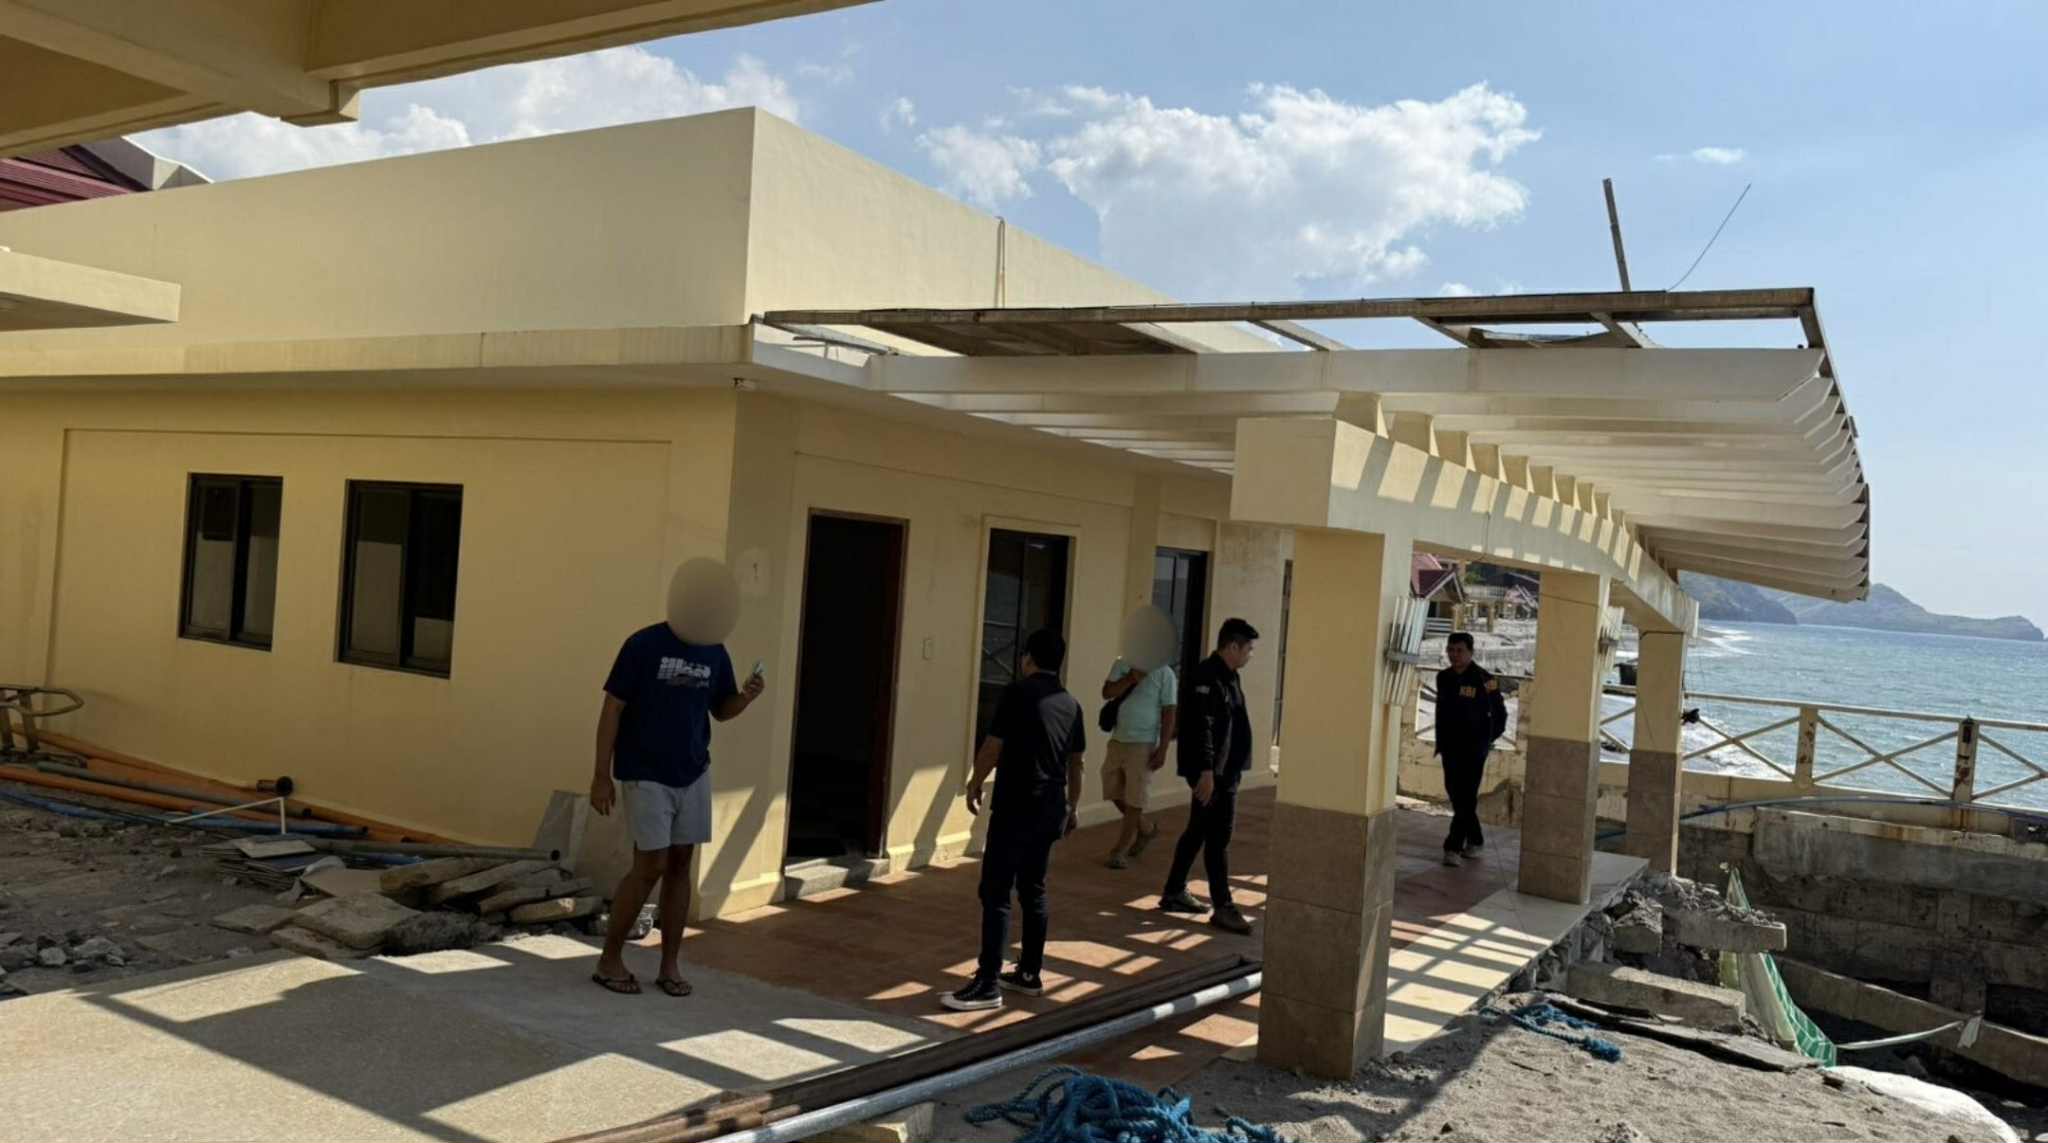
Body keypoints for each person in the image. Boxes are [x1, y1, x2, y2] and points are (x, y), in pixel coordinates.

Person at [588, 620, 763, 997]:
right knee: (650, 864)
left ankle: (669, 966)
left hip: (694, 771)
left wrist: (746, 697)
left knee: (681, 862)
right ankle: (609, 960)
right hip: (644, 771)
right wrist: (601, 775)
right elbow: (612, 707)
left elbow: (722, 709)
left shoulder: (714, 649)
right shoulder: (643, 643)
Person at [943, 627, 1087, 1012]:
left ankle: (988, 983)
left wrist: (975, 782)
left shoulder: (1016, 693)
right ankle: (1029, 973)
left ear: (1028, 658)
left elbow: (994, 745)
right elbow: (1076, 764)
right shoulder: (1071, 705)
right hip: (1051, 807)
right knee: (1033, 888)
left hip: (1016, 805)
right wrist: (1073, 806)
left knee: (996, 891)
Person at [1158, 618, 1258, 935]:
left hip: (1224, 772)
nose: (1250, 654)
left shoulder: (1229, 676)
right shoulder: (1207, 676)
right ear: (1233, 647)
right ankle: (1223, 906)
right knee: (1218, 838)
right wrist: (1206, 771)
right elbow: (1202, 726)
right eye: (1248, 649)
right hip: (1214, 774)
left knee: (1199, 830)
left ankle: (1174, 890)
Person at [1435, 632, 1507, 867]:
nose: (1454, 655)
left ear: (1470, 652)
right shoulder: (1443, 677)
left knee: (1465, 796)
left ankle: (1453, 847)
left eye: (1459, 650)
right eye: (1451, 650)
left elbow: (1500, 715)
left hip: (1473, 750)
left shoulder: (1485, 680)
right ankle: (1475, 839)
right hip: (1449, 747)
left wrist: (1486, 740)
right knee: (1457, 795)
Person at [1098, 653, 1177, 869]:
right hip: (1118, 738)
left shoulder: (1165, 673)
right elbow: (1107, 692)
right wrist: (1130, 678)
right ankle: (1146, 828)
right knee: (1112, 790)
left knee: (1135, 798)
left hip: (1144, 743)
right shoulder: (1123, 663)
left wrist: (1163, 748)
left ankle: (1119, 851)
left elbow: (1169, 712)